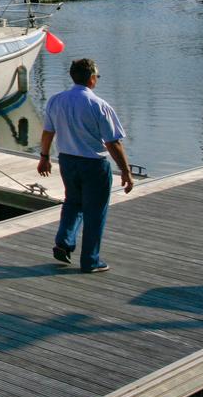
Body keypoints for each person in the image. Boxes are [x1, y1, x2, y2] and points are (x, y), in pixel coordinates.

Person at [37, 58, 134, 273]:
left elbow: (48, 132)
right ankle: (90, 260)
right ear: (91, 79)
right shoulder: (99, 105)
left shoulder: (56, 101)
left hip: (67, 161)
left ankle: (64, 241)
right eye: (96, 76)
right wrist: (126, 171)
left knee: (72, 202)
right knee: (95, 212)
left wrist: (44, 156)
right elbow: (113, 142)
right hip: (93, 164)